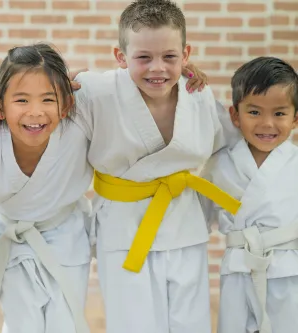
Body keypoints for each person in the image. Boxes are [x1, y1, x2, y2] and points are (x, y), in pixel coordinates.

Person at [72, 0, 241, 332]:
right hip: (123, 228)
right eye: (143, 57)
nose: (157, 68)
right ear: (121, 58)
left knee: (189, 322)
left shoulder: (198, 95)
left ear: (186, 54)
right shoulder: (95, 91)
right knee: (132, 323)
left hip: (183, 224)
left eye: (169, 56)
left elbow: (231, 145)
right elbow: (38, 98)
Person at [0, 43, 93, 333]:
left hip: (66, 237)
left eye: (48, 99)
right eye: (22, 100)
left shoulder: (78, 124)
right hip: (9, 236)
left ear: (65, 104)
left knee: (65, 323)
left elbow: (121, 86)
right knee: (19, 324)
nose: (35, 112)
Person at [200, 57, 298, 333]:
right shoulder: (218, 164)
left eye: (279, 114)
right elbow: (198, 219)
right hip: (238, 270)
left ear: (295, 119)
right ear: (235, 115)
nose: (267, 124)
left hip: (289, 272)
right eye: (254, 112)